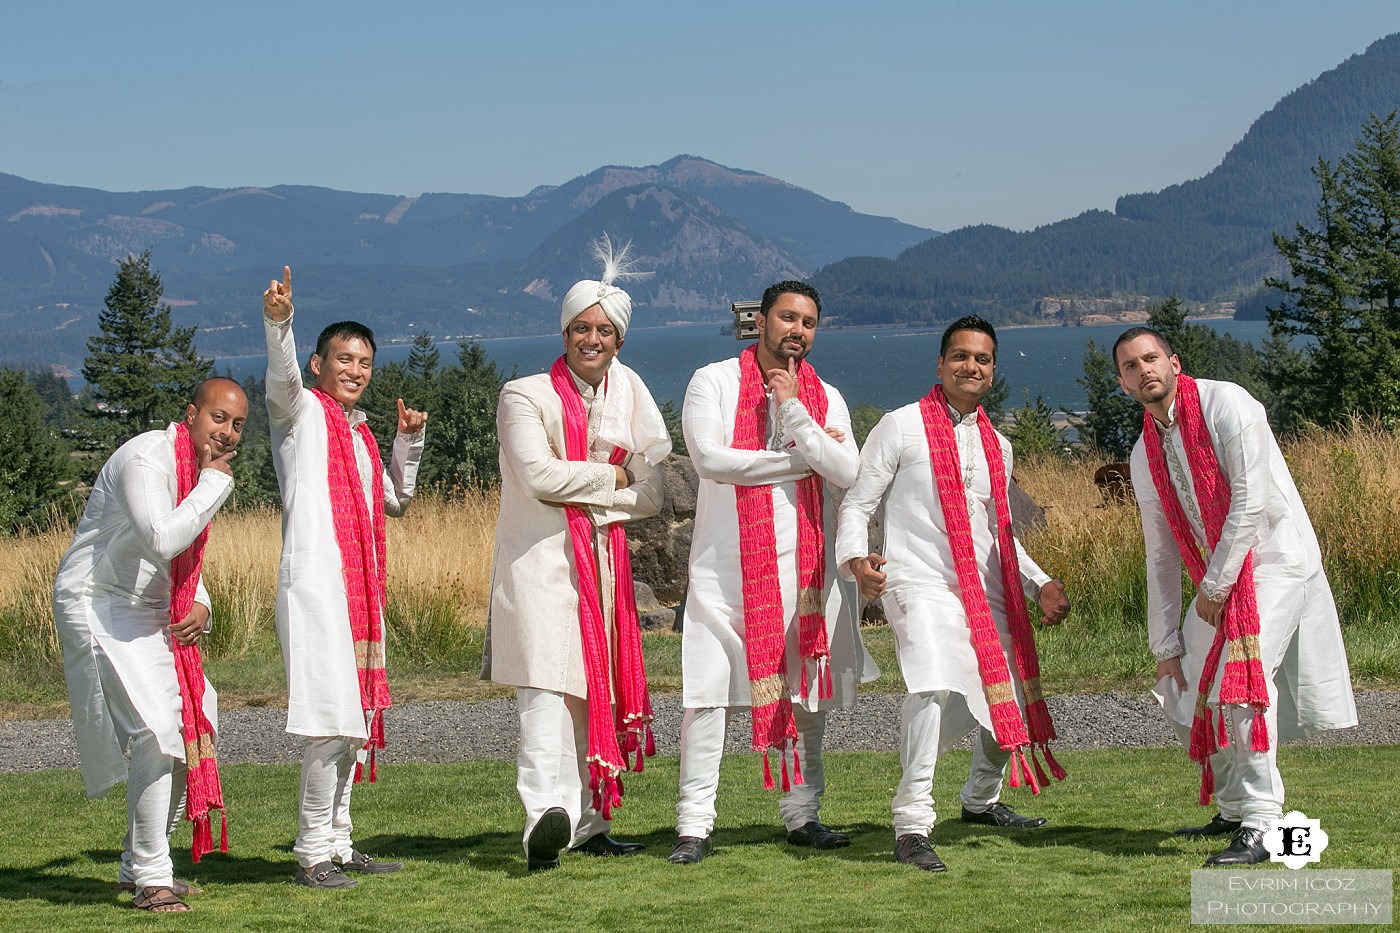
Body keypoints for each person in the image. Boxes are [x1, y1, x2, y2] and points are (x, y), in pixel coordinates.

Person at [1112, 326, 1357, 866]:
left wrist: (1218, 584)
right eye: (1131, 366)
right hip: (1215, 576)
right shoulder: (1143, 452)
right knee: (1179, 687)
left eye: (1151, 358)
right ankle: (1232, 806)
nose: (1143, 369)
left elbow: (1250, 500)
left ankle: (1264, 822)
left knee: (1236, 685)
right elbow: (1161, 553)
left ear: (1174, 363)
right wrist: (1165, 643)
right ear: (1123, 383)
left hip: (1275, 562)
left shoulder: (1229, 404)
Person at [836, 315, 1070, 874]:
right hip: (914, 580)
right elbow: (858, 505)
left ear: (993, 371)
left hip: (984, 585)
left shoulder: (999, 445)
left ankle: (981, 801)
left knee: (1006, 684)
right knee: (933, 681)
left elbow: (999, 534)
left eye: (983, 359)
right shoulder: (900, 425)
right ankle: (912, 822)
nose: (972, 366)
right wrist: (856, 563)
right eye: (961, 356)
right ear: (939, 365)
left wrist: (1039, 584)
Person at [671, 280, 878, 865]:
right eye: (787, 318)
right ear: (760, 321)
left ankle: (802, 815)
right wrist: (800, 458)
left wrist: (792, 411)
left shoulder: (823, 394)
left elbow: (847, 470)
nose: (798, 331)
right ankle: (694, 826)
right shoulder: (713, 380)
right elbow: (710, 460)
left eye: (809, 322)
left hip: (805, 574)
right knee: (708, 698)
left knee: (805, 698)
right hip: (724, 572)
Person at [483, 236, 671, 871]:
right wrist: (612, 478)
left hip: (604, 568)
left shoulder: (628, 400)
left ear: (619, 341)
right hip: (540, 568)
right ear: (564, 332)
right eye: (581, 328)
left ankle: (590, 822)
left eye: (605, 331)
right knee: (544, 696)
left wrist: (605, 487)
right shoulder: (524, 395)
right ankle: (544, 820)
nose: (592, 339)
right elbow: (538, 476)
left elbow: (654, 494)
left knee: (596, 693)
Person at [54, 377, 249, 912]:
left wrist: (203, 604)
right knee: (158, 729)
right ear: (190, 414)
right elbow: (162, 536)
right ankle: (151, 876)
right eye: (218, 418)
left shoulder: (193, 470)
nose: (227, 432)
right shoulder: (147, 459)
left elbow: (184, 556)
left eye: (237, 425)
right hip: (99, 603)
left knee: (197, 715)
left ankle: (138, 863)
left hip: (150, 606)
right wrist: (215, 483)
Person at [261, 266, 428, 889]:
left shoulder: (357, 437)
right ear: (318, 363)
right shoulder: (301, 414)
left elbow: (395, 502)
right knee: (332, 721)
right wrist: (278, 323)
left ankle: (340, 841)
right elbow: (279, 381)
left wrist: (405, 444)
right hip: (318, 588)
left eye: (364, 362)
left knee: (354, 726)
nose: (354, 370)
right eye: (343, 359)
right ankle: (311, 854)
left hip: (360, 592)